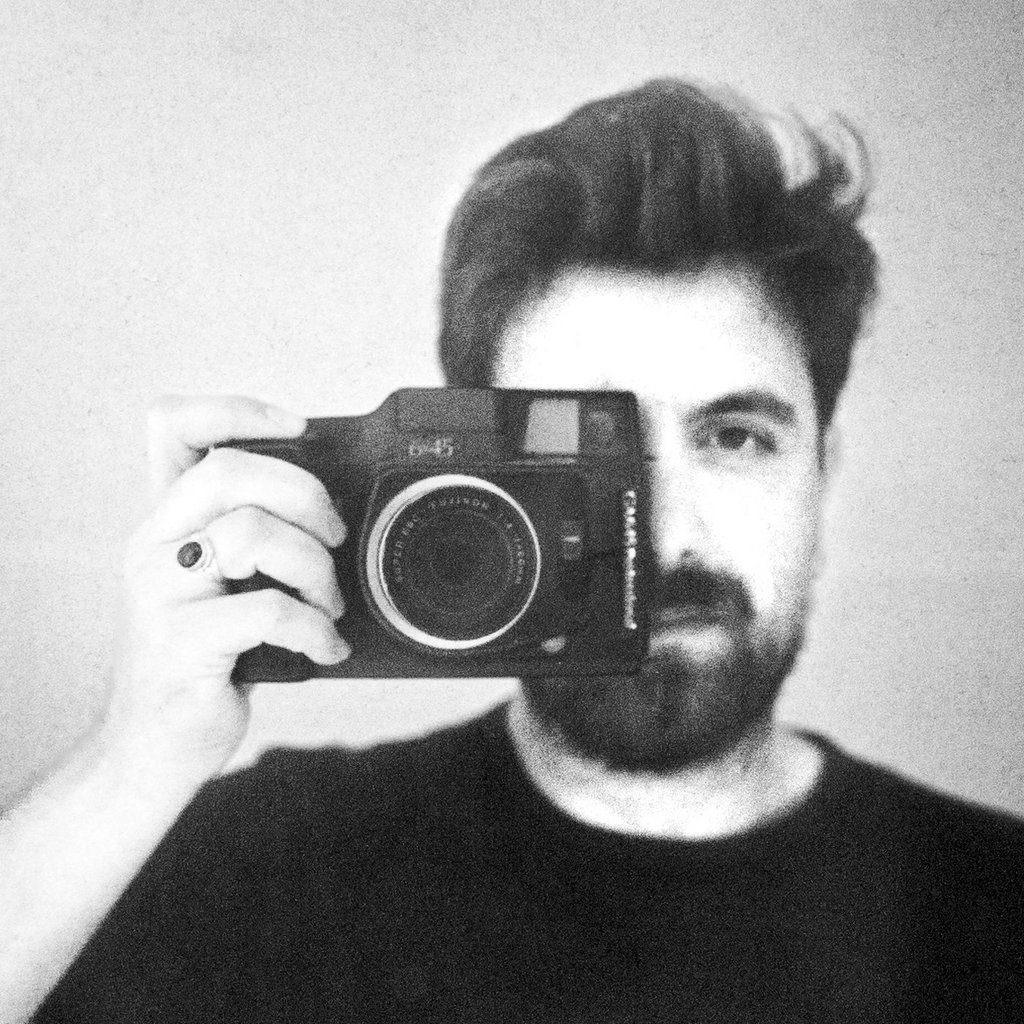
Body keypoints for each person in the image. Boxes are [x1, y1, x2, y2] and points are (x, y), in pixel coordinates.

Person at [2, 78, 1022, 1023]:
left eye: (734, 437)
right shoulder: (277, 859)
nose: (663, 535)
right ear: (476, 466)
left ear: (823, 471)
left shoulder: (990, 902)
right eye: (592, 455)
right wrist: (130, 764)